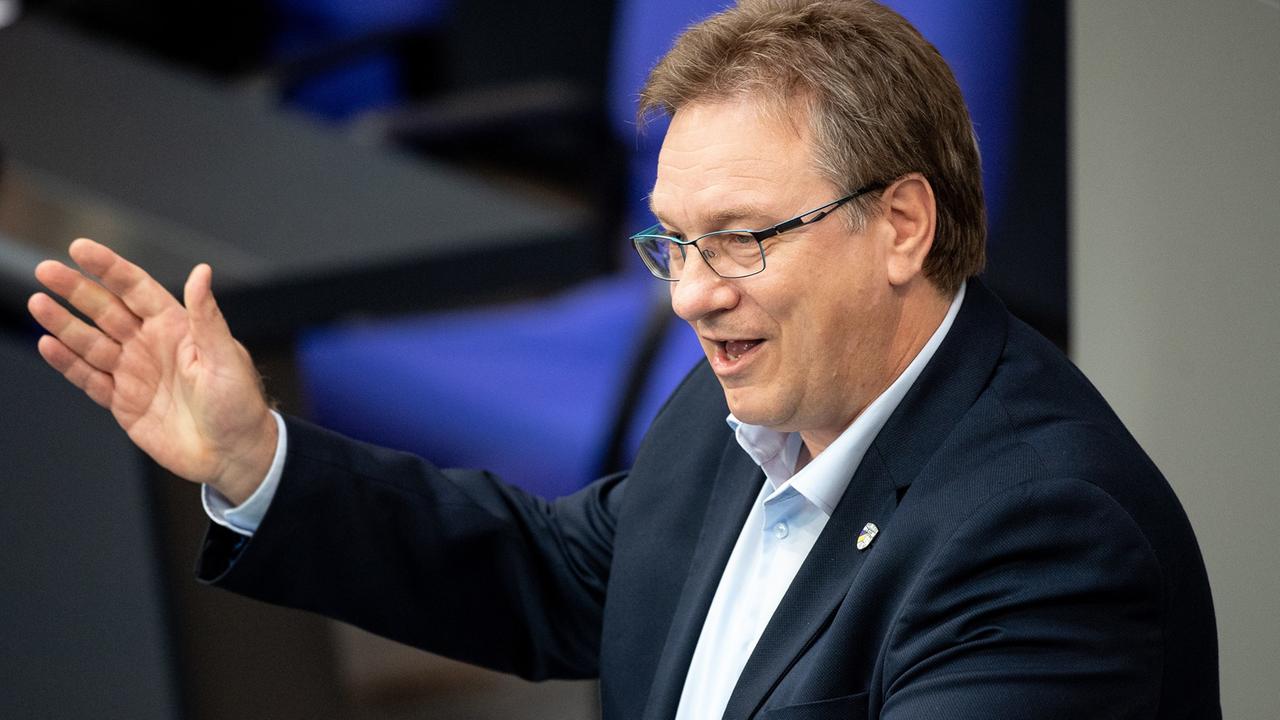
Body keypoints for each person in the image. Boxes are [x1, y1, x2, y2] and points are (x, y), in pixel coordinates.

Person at [27, 1, 1218, 718]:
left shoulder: (1042, 540)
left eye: (740, 239)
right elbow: (564, 576)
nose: (692, 296)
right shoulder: (740, 405)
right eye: (672, 243)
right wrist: (256, 462)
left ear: (900, 224)